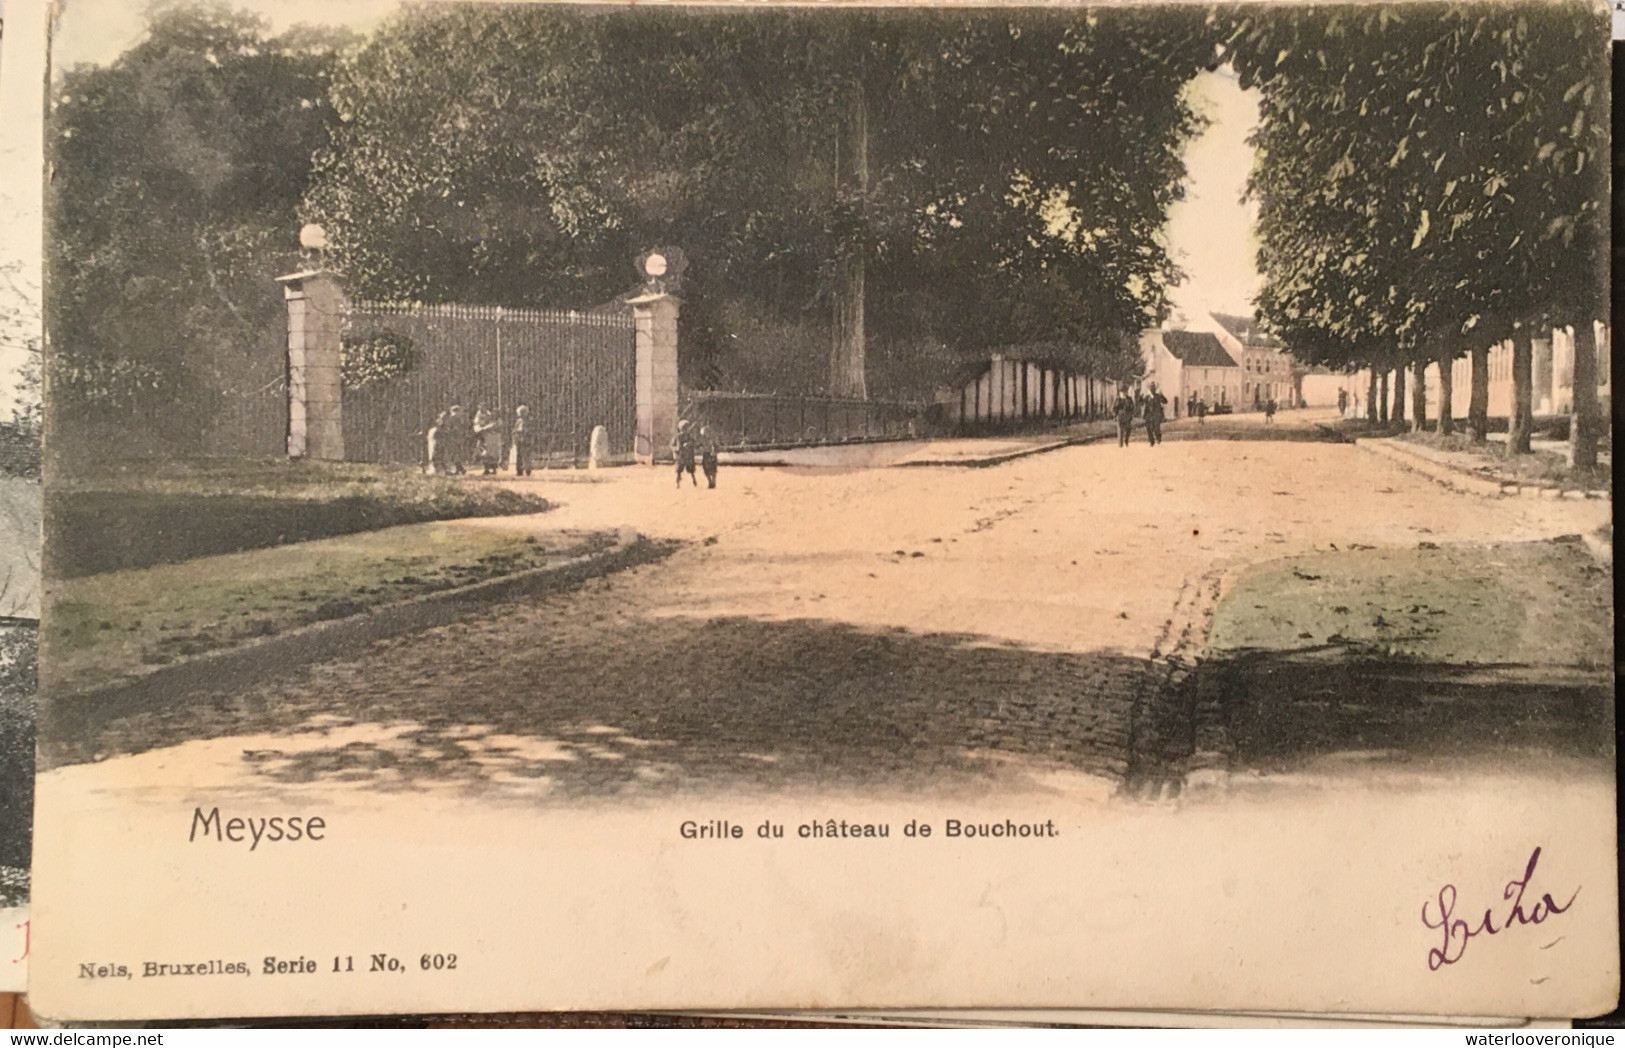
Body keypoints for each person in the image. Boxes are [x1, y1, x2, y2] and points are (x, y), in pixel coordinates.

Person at [473, 404, 501, 475]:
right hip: (485, 437)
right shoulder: (481, 416)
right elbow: (477, 424)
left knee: (493, 454)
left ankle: (494, 469)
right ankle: (487, 469)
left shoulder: (496, 420)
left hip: (494, 438)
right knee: (485, 453)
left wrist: (484, 428)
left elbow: (495, 426)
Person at [672, 419, 698, 487]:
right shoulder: (678, 436)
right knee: (679, 470)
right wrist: (676, 450)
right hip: (681, 455)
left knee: (691, 470)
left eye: (687, 428)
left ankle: (694, 481)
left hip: (689, 455)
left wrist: (689, 444)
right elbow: (672, 445)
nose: (686, 430)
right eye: (684, 428)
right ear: (681, 429)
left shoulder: (690, 436)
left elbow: (695, 443)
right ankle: (677, 483)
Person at [444, 404, 468, 475]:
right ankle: (460, 468)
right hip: (456, 437)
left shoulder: (454, 417)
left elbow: (450, 428)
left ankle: (459, 468)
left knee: (453, 453)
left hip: (454, 437)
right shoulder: (459, 418)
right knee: (455, 453)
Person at [1142, 382, 1167, 447]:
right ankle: (1152, 441)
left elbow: (1165, 401)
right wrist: (1141, 396)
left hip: (1156, 415)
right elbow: (1142, 403)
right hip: (1149, 415)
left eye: (1153, 388)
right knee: (1149, 428)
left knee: (1156, 428)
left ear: (1155, 389)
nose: (1152, 389)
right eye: (1150, 388)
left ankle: (1158, 438)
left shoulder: (1158, 396)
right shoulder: (1147, 397)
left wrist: (1162, 395)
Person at [511, 405, 533, 476]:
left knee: (522, 455)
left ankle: (523, 469)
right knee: (524, 455)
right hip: (524, 439)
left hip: (523, 439)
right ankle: (525, 469)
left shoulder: (522, 421)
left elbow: (520, 430)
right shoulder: (526, 420)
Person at [697, 423, 720, 489]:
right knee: (706, 469)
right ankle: (710, 481)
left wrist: (715, 451)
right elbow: (698, 446)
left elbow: (718, 447)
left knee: (712, 469)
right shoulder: (702, 440)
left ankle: (713, 481)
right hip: (706, 455)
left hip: (711, 455)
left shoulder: (713, 440)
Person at [425, 411, 447, 475]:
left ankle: (438, 470)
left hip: (436, 443)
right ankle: (433, 469)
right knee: (432, 456)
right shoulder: (433, 429)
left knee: (437, 456)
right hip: (433, 443)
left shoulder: (437, 429)